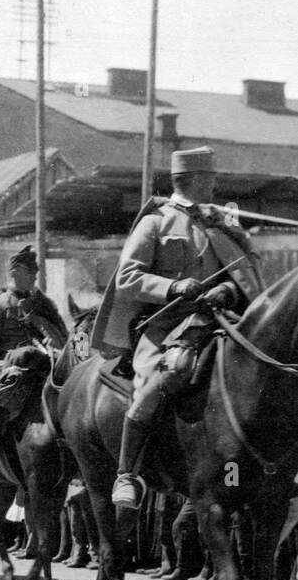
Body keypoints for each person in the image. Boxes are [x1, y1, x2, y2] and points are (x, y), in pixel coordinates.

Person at [93, 147, 263, 508]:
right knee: (166, 375)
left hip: (220, 321)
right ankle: (127, 474)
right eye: (211, 177)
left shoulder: (220, 224)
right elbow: (127, 277)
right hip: (167, 327)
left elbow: (245, 276)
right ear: (194, 180)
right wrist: (173, 287)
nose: (216, 184)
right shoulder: (155, 222)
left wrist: (227, 289)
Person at [0, 245, 66, 482]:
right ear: (15, 272)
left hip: (45, 363)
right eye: (30, 272)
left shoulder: (44, 304)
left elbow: (62, 335)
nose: (35, 276)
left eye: (35, 272)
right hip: (10, 367)